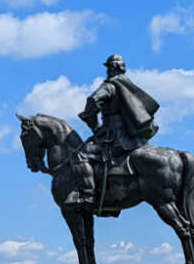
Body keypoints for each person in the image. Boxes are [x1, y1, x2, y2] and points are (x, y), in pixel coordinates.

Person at [65, 55, 160, 211]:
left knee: (79, 155)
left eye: (109, 68)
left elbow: (93, 100)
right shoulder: (128, 86)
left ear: (113, 68)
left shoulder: (110, 86)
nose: (108, 71)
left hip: (115, 136)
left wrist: (94, 125)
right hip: (133, 136)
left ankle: (87, 195)